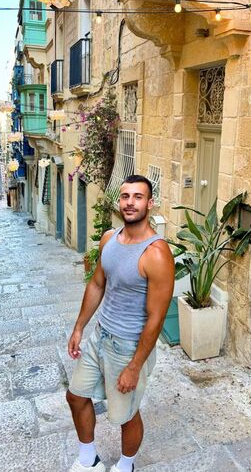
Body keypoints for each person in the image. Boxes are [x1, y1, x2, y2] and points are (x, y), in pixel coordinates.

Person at [66, 175, 175, 472]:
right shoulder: (109, 239)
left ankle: (126, 466)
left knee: (125, 415)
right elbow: (97, 284)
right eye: (125, 196)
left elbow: (156, 318)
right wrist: (79, 327)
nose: (130, 202)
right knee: (76, 396)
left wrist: (135, 367)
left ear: (150, 203)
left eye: (138, 197)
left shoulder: (156, 254)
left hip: (128, 347)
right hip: (100, 335)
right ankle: (88, 460)